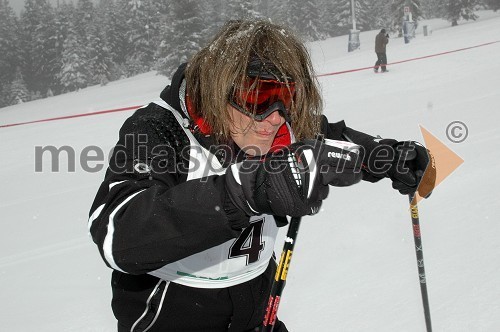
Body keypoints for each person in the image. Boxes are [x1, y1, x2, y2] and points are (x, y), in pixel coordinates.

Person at [88, 20, 435, 332]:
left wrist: (386, 157)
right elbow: (119, 233)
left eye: (287, 96)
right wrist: (245, 192)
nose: (274, 116)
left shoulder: (280, 128)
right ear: (217, 89)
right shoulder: (159, 130)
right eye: (259, 97)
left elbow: (328, 141)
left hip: (257, 309)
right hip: (171, 313)